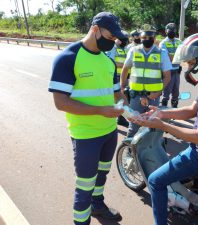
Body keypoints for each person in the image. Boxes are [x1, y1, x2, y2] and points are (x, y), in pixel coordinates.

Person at [131, 32, 198, 225]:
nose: (188, 68)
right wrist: (163, 113)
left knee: (156, 180)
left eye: (190, 63)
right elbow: (191, 110)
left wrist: (162, 125)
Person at [48, 12, 129, 225]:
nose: (111, 42)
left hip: (109, 132)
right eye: (110, 37)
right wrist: (101, 110)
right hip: (85, 136)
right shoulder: (68, 57)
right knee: (85, 186)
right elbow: (61, 103)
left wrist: (125, 107)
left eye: (114, 39)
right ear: (95, 29)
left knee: (102, 174)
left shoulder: (108, 61)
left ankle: (98, 205)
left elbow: (116, 93)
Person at [120, 24, 172, 138]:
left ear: (154, 38)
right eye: (144, 37)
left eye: (150, 37)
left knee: (151, 125)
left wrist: (159, 92)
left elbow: (167, 76)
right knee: (134, 124)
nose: (146, 40)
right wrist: (122, 86)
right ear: (140, 38)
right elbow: (125, 69)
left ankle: (147, 152)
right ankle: (129, 151)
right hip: (135, 96)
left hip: (153, 96)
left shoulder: (161, 53)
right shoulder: (133, 51)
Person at [106, 30, 130, 127]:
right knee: (114, 99)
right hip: (115, 77)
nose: (125, 41)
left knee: (123, 98)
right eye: (123, 40)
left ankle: (121, 118)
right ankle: (111, 121)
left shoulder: (125, 48)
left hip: (125, 76)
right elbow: (110, 62)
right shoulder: (112, 47)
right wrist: (125, 66)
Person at [159, 23, 182, 108]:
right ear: (166, 31)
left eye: (173, 30)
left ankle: (174, 111)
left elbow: (183, 54)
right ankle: (164, 112)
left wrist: (177, 57)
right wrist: (178, 56)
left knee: (176, 93)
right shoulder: (163, 43)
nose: (172, 32)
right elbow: (167, 57)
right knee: (166, 94)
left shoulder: (179, 41)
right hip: (168, 72)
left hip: (177, 71)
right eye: (170, 31)